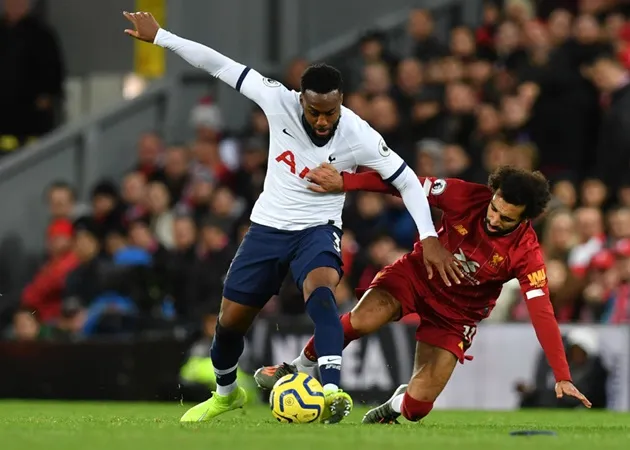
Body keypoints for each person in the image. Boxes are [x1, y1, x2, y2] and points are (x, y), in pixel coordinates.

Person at [122, 11, 463, 424]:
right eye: (316, 112)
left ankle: (333, 390)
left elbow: (408, 180)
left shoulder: (358, 133)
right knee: (230, 324)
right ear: (301, 99)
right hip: (267, 228)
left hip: (318, 230)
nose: (323, 121)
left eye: (331, 113)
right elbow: (219, 63)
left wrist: (427, 236)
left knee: (322, 295)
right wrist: (162, 38)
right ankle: (226, 394)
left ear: (341, 104)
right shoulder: (276, 100)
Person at [255, 164, 592, 424]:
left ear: (524, 219)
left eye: (505, 218)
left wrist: (561, 374)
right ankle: (293, 367)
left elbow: (542, 311)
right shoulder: (465, 195)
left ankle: (393, 406)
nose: (493, 218)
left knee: (417, 408)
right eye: (494, 208)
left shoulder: (526, 252)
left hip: (458, 314)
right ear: (492, 194)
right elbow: (404, 184)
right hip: (417, 276)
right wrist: (346, 181)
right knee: (362, 320)